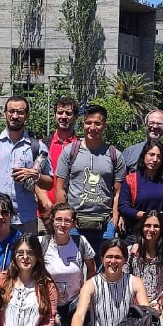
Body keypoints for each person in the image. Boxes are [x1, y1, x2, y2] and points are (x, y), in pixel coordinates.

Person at [64, 244, 152, 326]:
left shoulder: (135, 282)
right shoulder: (91, 284)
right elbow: (79, 314)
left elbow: (146, 312)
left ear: (125, 260)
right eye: (109, 257)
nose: (113, 261)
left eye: (118, 257)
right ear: (102, 259)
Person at [0, 95, 49, 235]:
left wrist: (35, 175)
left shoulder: (37, 147)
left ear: (27, 116)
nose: (15, 115)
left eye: (20, 112)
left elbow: (49, 183)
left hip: (24, 219)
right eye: (11, 111)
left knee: (26, 256)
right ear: (4, 113)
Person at [54, 103, 124, 253]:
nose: (92, 127)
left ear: (105, 125)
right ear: (82, 124)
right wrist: (62, 218)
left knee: (104, 270)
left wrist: (115, 221)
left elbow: (118, 192)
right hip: (75, 224)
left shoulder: (114, 155)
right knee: (72, 269)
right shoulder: (70, 152)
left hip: (104, 224)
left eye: (97, 123)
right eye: (88, 123)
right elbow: (60, 187)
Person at [39, 206, 91, 326]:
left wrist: (86, 293)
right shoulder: (41, 243)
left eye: (67, 221)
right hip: (48, 303)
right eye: (58, 219)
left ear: (73, 224)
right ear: (52, 221)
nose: (62, 224)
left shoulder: (81, 242)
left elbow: (91, 269)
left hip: (75, 302)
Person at [119, 141, 163, 240]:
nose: (155, 159)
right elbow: (123, 207)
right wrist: (146, 216)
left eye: (159, 156)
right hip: (136, 236)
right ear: (144, 155)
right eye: (151, 155)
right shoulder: (131, 179)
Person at [126, 211, 163, 307]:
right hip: (134, 305)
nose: (152, 229)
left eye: (156, 226)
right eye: (147, 225)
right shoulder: (130, 252)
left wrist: (160, 304)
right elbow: (123, 281)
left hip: (161, 305)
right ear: (142, 227)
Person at [42, 96, 79, 214]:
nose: (63, 117)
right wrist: (44, 200)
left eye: (68, 113)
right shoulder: (44, 144)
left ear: (75, 117)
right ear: (54, 115)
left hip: (71, 214)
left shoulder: (81, 147)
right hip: (43, 212)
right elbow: (35, 176)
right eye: (60, 113)